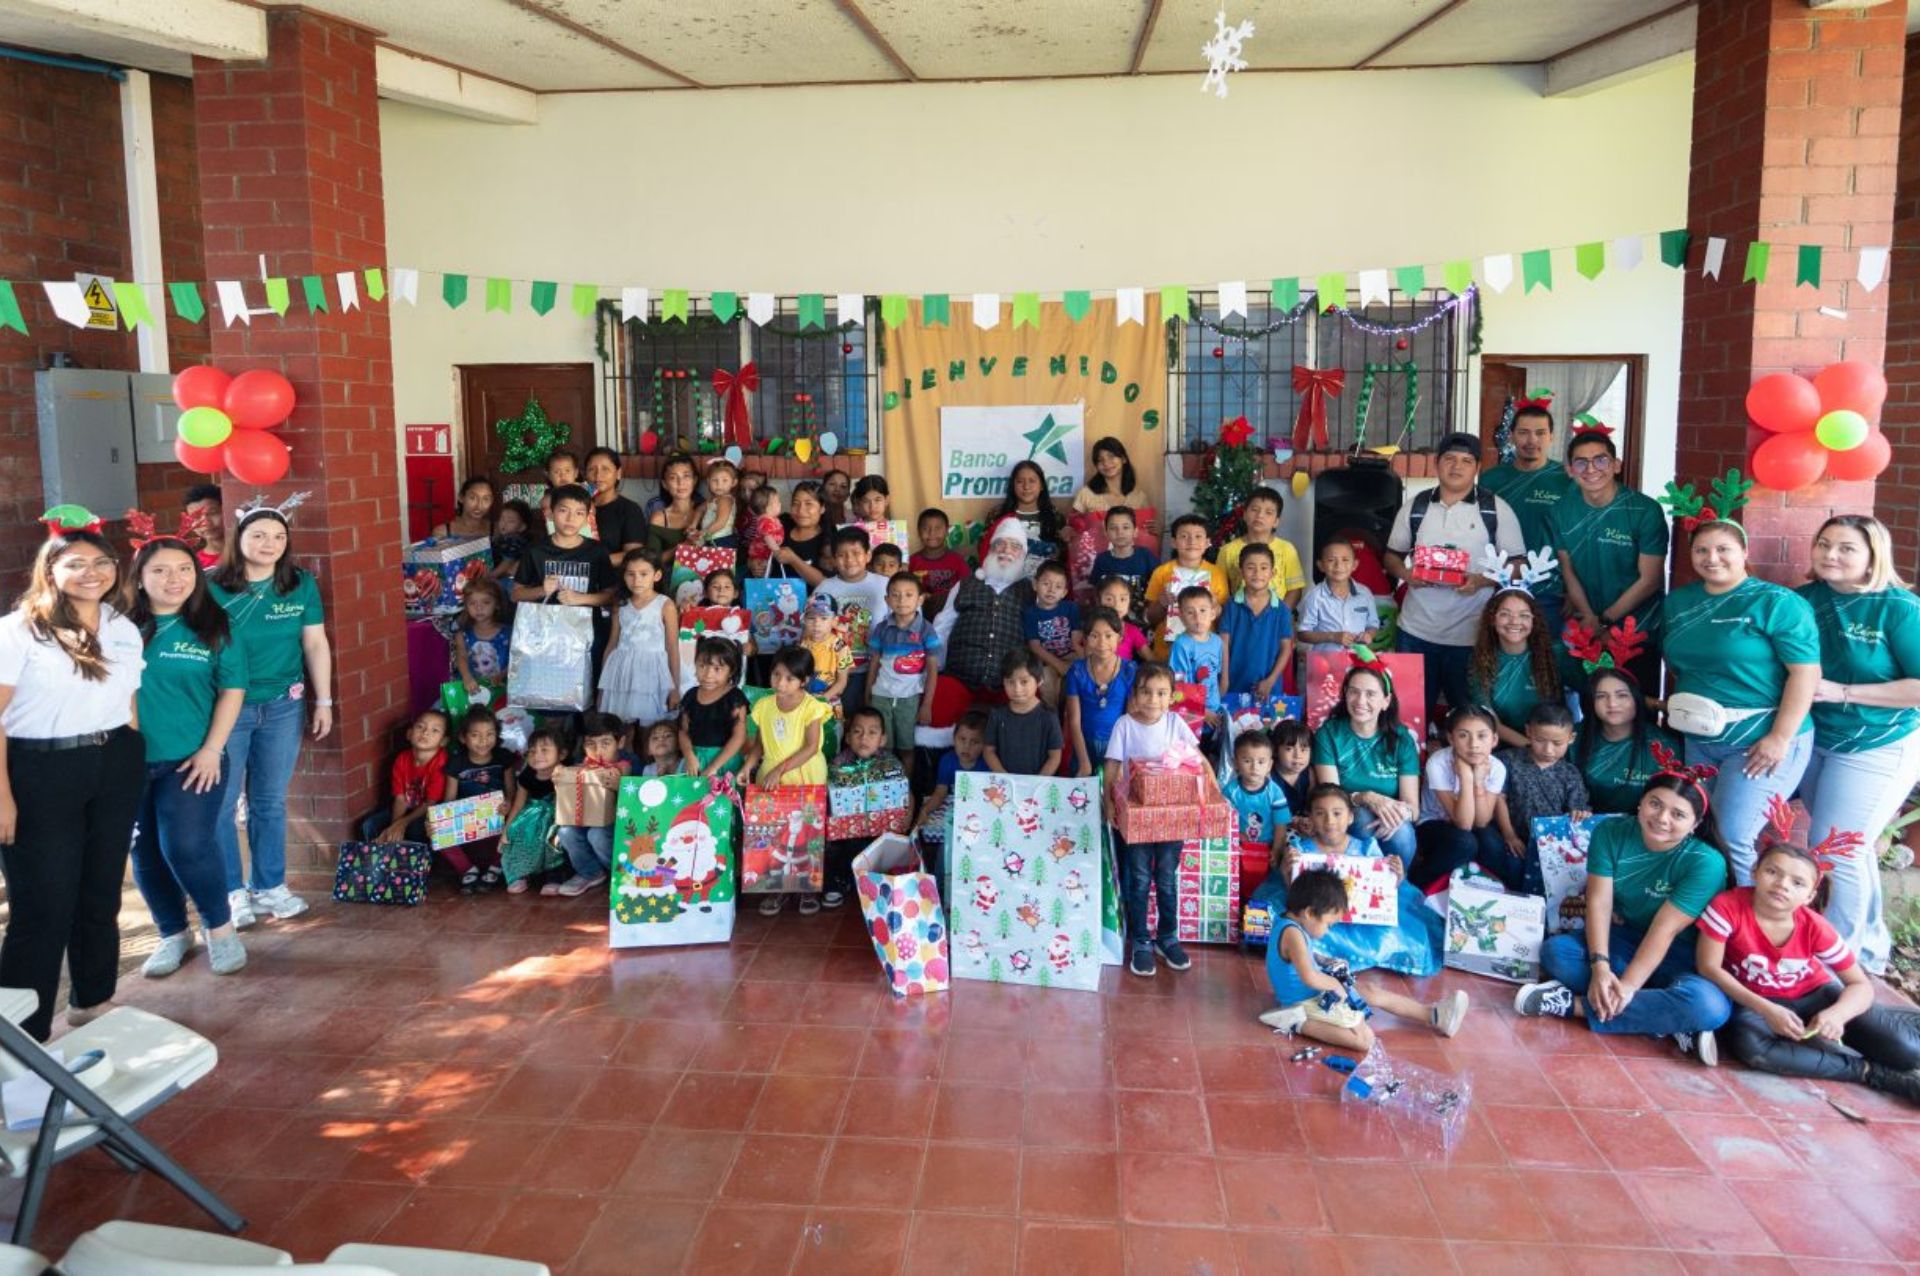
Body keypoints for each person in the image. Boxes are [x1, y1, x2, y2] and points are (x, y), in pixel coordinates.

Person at [0, 524, 146, 1039]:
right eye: (76, 563)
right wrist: (3, 800)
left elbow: (127, 702)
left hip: (113, 762)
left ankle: (92, 999)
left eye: (102, 563)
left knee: (100, 891)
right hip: (41, 771)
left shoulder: (120, 626)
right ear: (50, 570)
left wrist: (127, 754)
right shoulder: (18, 631)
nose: (92, 573)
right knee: (43, 906)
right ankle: (24, 1034)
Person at [1516, 771, 1734, 1062]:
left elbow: (1664, 931)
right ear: (1641, 802)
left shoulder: (1706, 862)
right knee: (1557, 953)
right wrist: (1600, 968)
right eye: (1655, 804)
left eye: (1678, 814)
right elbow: (1598, 903)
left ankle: (1571, 1005)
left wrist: (1629, 987)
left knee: (1709, 1007)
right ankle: (1665, 1018)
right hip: (1628, 940)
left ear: (1695, 825)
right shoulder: (1611, 832)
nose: (1662, 818)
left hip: (1683, 956)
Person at [1696, 830, 1920, 1099]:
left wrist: (1838, 1014)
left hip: (1814, 995)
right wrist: (1766, 1009)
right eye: (1773, 872)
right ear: (1755, 872)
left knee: (1905, 1052)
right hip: (1754, 999)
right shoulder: (1727, 906)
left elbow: (1860, 984)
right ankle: (1868, 1072)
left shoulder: (1815, 927)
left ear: (1810, 895)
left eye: (1798, 882)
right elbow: (1709, 967)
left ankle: (1899, 1020)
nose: (1782, 885)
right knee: (1751, 1049)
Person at [1662, 512, 1819, 880]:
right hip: (1700, 736)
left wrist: (1780, 738)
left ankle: (1753, 923)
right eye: (1701, 550)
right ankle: (1711, 913)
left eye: (1723, 549)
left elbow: (1805, 674)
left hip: (1758, 740)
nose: (1711, 558)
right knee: (1701, 828)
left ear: (1744, 551)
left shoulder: (1777, 603)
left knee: (1734, 833)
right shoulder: (1679, 602)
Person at [1796, 515, 1920, 974]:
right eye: (1824, 543)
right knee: (1853, 847)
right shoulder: (1804, 599)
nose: (1830, 554)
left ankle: (1837, 963)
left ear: (1874, 555)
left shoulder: (1899, 608)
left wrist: (1843, 692)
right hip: (1818, 739)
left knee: (1834, 848)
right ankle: (1869, 949)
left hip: (1878, 743)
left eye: (1846, 548)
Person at [209, 495, 333, 928]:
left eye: (279, 536)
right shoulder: (209, 586)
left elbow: (315, 643)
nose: (269, 543)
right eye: (259, 535)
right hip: (227, 709)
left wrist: (324, 700)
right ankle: (229, 892)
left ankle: (270, 886)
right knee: (221, 805)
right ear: (238, 537)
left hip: (284, 705)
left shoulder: (299, 583)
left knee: (269, 801)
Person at [127, 535, 247, 979]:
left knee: (186, 845)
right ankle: (173, 934)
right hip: (127, 762)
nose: (173, 579)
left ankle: (220, 930)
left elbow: (233, 690)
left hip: (194, 759)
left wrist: (213, 749)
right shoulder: (120, 628)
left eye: (183, 569)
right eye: (159, 570)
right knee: (144, 850)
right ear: (139, 578)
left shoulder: (213, 626)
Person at [1385, 431, 1525, 724]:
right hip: (1415, 632)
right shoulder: (1416, 506)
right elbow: (1391, 556)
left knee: (1471, 720)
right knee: (1409, 718)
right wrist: (1407, 574)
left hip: (1471, 636)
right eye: (1449, 459)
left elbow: (1518, 564)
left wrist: (1481, 580)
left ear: (1477, 468)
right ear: (1437, 463)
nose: (1456, 467)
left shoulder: (1495, 509)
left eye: (1466, 461)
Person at [1259, 867, 1468, 1046]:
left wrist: (1322, 960)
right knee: (1363, 1039)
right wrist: (1334, 984)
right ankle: (1295, 1021)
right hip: (1303, 1000)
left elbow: (1298, 957)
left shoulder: (1293, 923)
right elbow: (1309, 977)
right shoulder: (1293, 933)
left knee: (1370, 991)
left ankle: (1435, 1015)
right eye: (1328, 925)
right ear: (1309, 913)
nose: (1328, 931)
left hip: (1314, 992)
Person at [1549, 428, 1668, 689]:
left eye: (1600, 460)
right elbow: (1568, 570)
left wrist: (1604, 620)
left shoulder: (1644, 510)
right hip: (1588, 631)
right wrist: (1590, 618)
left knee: (1637, 707)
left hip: (1636, 631)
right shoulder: (1561, 511)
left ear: (1616, 465)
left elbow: (1650, 580)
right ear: (1570, 470)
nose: (1591, 469)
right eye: (1581, 462)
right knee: (1591, 704)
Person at [1102, 662, 1198, 978]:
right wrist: (1109, 804)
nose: (1152, 700)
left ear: (1172, 697)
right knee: (1139, 879)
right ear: (1135, 695)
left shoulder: (1175, 724)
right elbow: (1113, 768)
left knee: (1167, 878)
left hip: (1171, 818)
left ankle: (1167, 937)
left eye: (1160, 693)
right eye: (1145, 692)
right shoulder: (1124, 725)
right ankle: (1141, 941)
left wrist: (1212, 792)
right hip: (1137, 818)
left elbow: (1197, 761)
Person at [746, 646, 834, 916]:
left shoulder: (813, 707)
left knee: (808, 835)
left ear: (804, 680)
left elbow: (810, 747)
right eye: (776, 675)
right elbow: (760, 744)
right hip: (771, 778)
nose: (780, 683)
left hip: (805, 775)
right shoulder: (763, 705)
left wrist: (779, 771)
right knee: (774, 834)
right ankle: (775, 890)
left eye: (789, 678)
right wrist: (749, 767)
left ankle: (807, 891)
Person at [1310, 658, 1420, 866]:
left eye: (1370, 694)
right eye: (1354, 692)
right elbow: (1330, 797)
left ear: (1386, 701)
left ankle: (1396, 885)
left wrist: (1396, 815)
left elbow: (1413, 809)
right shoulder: (1329, 734)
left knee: (1403, 832)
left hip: (1391, 822)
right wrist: (1366, 797)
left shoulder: (1403, 740)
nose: (1360, 701)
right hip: (1345, 816)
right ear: (1345, 695)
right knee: (1362, 819)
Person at [1480, 401, 1574, 636]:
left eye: (1540, 433)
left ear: (1552, 436)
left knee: (1546, 659)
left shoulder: (1567, 481)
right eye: (1523, 433)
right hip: (1499, 584)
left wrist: (1573, 591)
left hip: (1550, 590)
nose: (1532, 441)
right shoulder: (1491, 480)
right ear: (1511, 436)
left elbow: (1576, 539)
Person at [1410, 705, 1516, 891]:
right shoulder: (1438, 763)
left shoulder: (1497, 767)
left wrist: (1479, 781)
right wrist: (1466, 778)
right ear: (1451, 738)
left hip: (1472, 823)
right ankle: (1418, 884)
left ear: (1494, 739)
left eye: (1482, 736)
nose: (1474, 744)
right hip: (1433, 824)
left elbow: (1481, 821)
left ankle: (1503, 892)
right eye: (1463, 735)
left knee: (1491, 842)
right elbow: (1464, 824)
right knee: (1464, 842)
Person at [932, 517, 1039, 695]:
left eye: (1015, 546)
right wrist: (935, 667)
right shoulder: (965, 584)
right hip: (959, 678)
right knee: (936, 714)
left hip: (1010, 686)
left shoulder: (1031, 591)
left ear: (1023, 554)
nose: (1006, 550)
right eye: (1000, 544)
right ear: (990, 549)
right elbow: (943, 626)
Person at [822, 707, 908, 908]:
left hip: (880, 832)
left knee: (890, 845)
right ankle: (837, 883)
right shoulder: (838, 764)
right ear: (848, 737)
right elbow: (830, 797)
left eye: (872, 732)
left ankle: (880, 883)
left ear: (882, 739)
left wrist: (908, 813)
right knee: (836, 847)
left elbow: (905, 791)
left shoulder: (890, 763)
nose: (864, 738)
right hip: (848, 833)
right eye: (857, 731)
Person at [1493, 703, 1590, 872]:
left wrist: (1580, 814)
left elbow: (1578, 811)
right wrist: (1510, 835)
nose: (1548, 749)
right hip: (1510, 838)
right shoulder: (1506, 760)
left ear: (1571, 738)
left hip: (1553, 848)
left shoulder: (1570, 773)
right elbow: (1498, 798)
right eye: (1540, 740)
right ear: (1528, 731)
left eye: (1557, 743)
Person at [1577, 666, 1679, 816]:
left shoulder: (1665, 746)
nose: (1612, 703)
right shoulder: (1572, 739)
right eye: (1601, 696)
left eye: (1622, 695)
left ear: (1636, 699)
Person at [866, 572, 941, 772]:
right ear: (887, 600)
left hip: (909, 698)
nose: (902, 600)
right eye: (895, 595)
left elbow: (933, 670)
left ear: (920, 599)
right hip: (881, 696)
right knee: (884, 747)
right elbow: (874, 664)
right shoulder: (881, 629)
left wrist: (927, 705)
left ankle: (905, 788)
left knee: (907, 748)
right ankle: (885, 787)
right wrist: (867, 695)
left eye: (909, 595)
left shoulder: (926, 630)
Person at [1467, 587, 1560, 749]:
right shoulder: (1480, 661)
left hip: (1554, 747)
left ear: (1534, 620)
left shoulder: (1555, 655)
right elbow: (1490, 721)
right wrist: (1533, 747)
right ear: (1492, 619)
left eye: (1524, 615)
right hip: (1503, 748)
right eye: (1505, 614)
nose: (1515, 621)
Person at [813, 527, 890, 712]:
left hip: (878, 670)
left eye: (856, 553)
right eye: (841, 555)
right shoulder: (825, 588)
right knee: (840, 723)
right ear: (833, 559)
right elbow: (811, 629)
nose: (849, 560)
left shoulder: (885, 585)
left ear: (868, 555)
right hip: (834, 673)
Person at [598, 551, 679, 727]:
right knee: (620, 726)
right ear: (624, 576)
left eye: (644, 574)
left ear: (656, 575)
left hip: (651, 673)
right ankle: (625, 755)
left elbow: (672, 648)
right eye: (631, 574)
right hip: (621, 671)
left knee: (649, 728)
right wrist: (603, 686)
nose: (637, 580)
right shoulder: (620, 604)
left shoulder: (665, 605)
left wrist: (675, 688)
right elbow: (612, 643)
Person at [550, 713, 627, 898]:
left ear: (621, 742)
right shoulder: (583, 765)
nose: (598, 750)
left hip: (616, 827)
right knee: (565, 831)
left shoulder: (626, 764)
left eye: (605, 743)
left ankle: (619, 874)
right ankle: (591, 873)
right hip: (582, 821)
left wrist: (620, 786)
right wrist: (560, 777)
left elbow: (637, 798)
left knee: (597, 834)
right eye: (591, 744)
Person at [364, 709, 453, 848]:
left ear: (444, 741)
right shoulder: (402, 759)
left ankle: (418, 862)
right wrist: (394, 828)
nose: (425, 733)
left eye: (435, 730)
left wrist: (402, 824)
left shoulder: (441, 762)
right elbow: (400, 799)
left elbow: (431, 803)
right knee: (370, 826)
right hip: (406, 809)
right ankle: (385, 859)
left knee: (416, 829)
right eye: (420, 727)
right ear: (409, 734)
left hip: (427, 812)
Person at [1064, 607, 1136, 777]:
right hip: (1084, 746)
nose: (1102, 643)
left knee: (1113, 795)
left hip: (1116, 747)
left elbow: (1130, 719)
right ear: (1085, 639)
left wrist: (1119, 762)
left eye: (1109, 636)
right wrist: (1083, 762)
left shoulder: (1129, 670)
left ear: (1120, 638)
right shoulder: (1077, 671)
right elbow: (1074, 721)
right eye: (1094, 636)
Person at [1144, 515, 1228, 660]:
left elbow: (1224, 621)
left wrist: (1214, 604)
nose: (1191, 541)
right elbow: (1150, 618)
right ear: (1174, 542)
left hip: (1204, 653)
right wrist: (1161, 603)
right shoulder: (1162, 573)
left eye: (1198, 536)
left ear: (1208, 542)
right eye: (1184, 536)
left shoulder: (1217, 574)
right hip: (1167, 652)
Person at [1220, 543, 1294, 699]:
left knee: (1266, 723)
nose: (1257, 573)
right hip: (1233, 685)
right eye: (1250, 567)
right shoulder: (1232, 606)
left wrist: (1271, 680)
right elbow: (1223, 644)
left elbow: (1285, 649)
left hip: (1268, 687)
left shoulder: (1282, 610)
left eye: (1264, 568)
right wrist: (1224, 679)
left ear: (1272, 573)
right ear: (1241, 572)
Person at [1215, 487, 1307, 604]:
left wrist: (1279, 617)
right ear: (1245, 514)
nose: (1260, 515)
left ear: (1276, 521)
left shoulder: (1287, 549)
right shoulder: (1227, 551)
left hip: (1275, 618)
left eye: (1268, 512)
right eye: (1254, 510)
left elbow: (1295, 589)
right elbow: (1220, 590)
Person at [1224, 729, 1289, 894]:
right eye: (1247, 761)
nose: (1254, 767)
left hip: (1267, 848)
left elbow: (1280, 825)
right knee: (1238, 884)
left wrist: (1276, 849)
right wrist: (1235, 837)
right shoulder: (1230, 791)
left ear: (1270, 765)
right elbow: (1223, 820)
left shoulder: (1275, 792)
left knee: (1265, 885)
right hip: (1238, 847)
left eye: (1261, 762)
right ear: (1235, 763)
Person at [501, 727, 563, 894]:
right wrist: (506, 830)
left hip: (558, 815)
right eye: (532, 751)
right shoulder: (527, 776)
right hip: (532, 815)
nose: (537, 755)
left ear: (561, 754)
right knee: (518, 831)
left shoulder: (565, 773)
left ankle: (554, 876)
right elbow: (518, 805)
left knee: (554, 836)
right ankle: (521, 874)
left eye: (544, 750)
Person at [677, 636, 749, 778]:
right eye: (702, 666)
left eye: (717, 669)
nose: (708, 675)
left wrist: (713, 767)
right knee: (692, 799)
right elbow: (683, 731)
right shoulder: (690, 696)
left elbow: (739, 737)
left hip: (724, 763)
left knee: (722, 799)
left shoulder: (735, 698)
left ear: (731, 671)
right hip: (695, 762)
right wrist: (689, 756)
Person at [985, 650, 1063, 776]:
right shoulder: (997, 714)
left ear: (1039, 681)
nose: (1017, 689)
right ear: (1003, 682)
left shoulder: (1049, 716)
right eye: (1010, 682)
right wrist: (1004, 777)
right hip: (1005, 787)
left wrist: (1037, 781)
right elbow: (989, 751)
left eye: (1024, 682)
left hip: (1038, 787)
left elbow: (1055, 756)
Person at [914, 709, 988, 843]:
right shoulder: (947, 761)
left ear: (985, 745)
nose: (966, 746)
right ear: (954, 739)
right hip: (953, 805)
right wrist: (926, 810)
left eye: (975, 742)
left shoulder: (987, 765)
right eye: (962, 739)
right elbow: (940, 792)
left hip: (979, 807)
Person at [1295, 538, 1380, 654]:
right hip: (1325, 662)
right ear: (1321, 565)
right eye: (1331, 560)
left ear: (1355, 565)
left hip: (1358, 659)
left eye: (1345, 560)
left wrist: (1369, 635)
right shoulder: (1314, 597)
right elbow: (1302, 634)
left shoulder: (1365, 594)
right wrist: (1332, 636)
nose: (1338, 565)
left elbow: (1373, 624)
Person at [987, 459, 1067, 573]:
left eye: (1032, 481)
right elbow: (985, 548)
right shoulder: (998, 514)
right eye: (1020, 481)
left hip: (1044, 584)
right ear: (1013, 485)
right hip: (1006, 578)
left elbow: (1062, 554)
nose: (1026, 487)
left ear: (1042, 486)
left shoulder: (1055, 516)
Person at [1169, 585, 1228, 733]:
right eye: (1190, 612)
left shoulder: (1217, 641)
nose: (1198, 617)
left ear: (1213, 613)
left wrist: (1215, 704)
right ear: (1181, 616)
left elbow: (1215, 674)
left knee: (1209, 752)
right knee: (1192, 752)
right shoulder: (1181, 644)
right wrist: (1202, 711)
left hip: (1214, 710)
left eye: (1203, 610)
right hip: (1190, 713)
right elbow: (1179, 684)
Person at [582, 447, 648, 567]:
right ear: (585, 474)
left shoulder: (629, 510)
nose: (598, 475)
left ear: (618, 473)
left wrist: (592, 562)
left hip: (612, 578)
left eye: (605, 469)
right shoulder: (576, 506)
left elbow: (633, 554)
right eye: (592, 469)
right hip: (575, 575)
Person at [452, 575, 513, 705]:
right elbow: (461, 656)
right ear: (466, 606)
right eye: (472, 603)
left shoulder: (509, 633)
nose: (479, 608)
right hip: (471, 690)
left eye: (485, 602)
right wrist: (467, 677)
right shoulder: (462, 634)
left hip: (501, 691)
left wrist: (502, 675)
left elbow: (517, 660)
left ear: (496, 604)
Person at [771, 479, 831, 587]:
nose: (801, 510)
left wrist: (794, 560)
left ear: (822, 508)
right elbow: (760, 552)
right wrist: (756, 563)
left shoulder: (828, 539)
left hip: (813, 602)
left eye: (808, 504)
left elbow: (826, 583)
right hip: (773, 600)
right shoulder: (779, 527)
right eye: (796, 504)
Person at [644, 452, 701, 559]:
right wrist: (683, 547)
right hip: (668, 574)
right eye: (673, 478)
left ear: (695, 480)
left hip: (709, 574)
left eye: (686, 476)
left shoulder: (707, 510)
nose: (681, 483)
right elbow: (652, 561)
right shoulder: (659, 518)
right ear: (665, 484)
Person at [1091, 506, 1158, 597]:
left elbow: (1158, 587)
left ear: (1135, 532)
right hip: (1110, 610)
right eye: (1113, 528)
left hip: (1142, 610)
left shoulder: (1146, 556)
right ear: (1106, 533)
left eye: (1125, 527)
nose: (1119, 532)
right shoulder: (1102, 559)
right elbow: (1096, 591)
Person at [909, 508, 968, 610]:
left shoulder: (957, 560)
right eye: (926, 528)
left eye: (938, 528)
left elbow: (967, 588)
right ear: (918, 531)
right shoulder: (912, 561)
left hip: (951, 612)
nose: (932, 533)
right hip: (920, 614)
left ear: (947, 531)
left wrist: (945, 598)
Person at [799, 594, 852, 704]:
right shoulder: (802, 645)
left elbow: (842, 682)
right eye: (811, 618)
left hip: (829, 702)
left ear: (834, 621)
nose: (817, 623)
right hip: (804, 701)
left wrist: (822, 699)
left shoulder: (840, 646)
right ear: (804, 620)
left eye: (824, 618)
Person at [1073, 436, 1139, 514]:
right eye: (1100, 460)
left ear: (1123, 458)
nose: (1106, 463)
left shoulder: (1139, 497)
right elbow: (1072, 524)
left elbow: (1145, 524)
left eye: (1111, 457)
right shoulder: (1086, 494)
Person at [688, 457, 740, 552]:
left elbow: (720, 522)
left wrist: (702, 534)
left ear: (733, 482)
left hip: (722, 540)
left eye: (725, 480)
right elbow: (700, 509)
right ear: (708, 481)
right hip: (711, 538)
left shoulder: (725, 500)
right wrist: (693, 525)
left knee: (719, 566)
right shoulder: (713, 499)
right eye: (714, 480)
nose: (719, 485)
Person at [1095, 576, 1151, 660]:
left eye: (1122, 599)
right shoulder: (1092, 628)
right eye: (1109, 599)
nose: (1117, 605)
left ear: (1129, 602)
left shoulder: (1132, 631)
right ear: (1098, 601)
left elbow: (1151, 658)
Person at [430, 475, 496, 541]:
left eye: (486, 499)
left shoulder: (495, 530)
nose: (479, 505)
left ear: (492, 501)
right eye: (472, 498)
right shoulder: (442, 532)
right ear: (461, 497)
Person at [1272, 719, 1314, 818]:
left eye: (1303, 749)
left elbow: (1311, 807)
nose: (1298, 755)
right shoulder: (1268, 776)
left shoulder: (1310, 773)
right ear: (1275, 750)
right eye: (1289, 749)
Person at [743, 484, 784, 578]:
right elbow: (768, 537)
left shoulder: (772, 519)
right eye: (778, 502)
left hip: (766, 555)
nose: (780, 504)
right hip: (761, 556)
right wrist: (778, 552)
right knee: (764, 575)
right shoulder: (765, 521)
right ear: (768, 508)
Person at [490, 499, 533, 583]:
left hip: (507, 580)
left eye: (511, 521)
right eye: (502, 519)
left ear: (522, 527)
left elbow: (507, 563)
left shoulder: (515, 541)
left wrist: (490, 576)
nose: (504, 523)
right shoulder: (503, 537)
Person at [183, 484, 224, 568]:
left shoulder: (247, 552)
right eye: (196, 517)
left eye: (212, 513)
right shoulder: (193, 565)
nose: (205, 523)